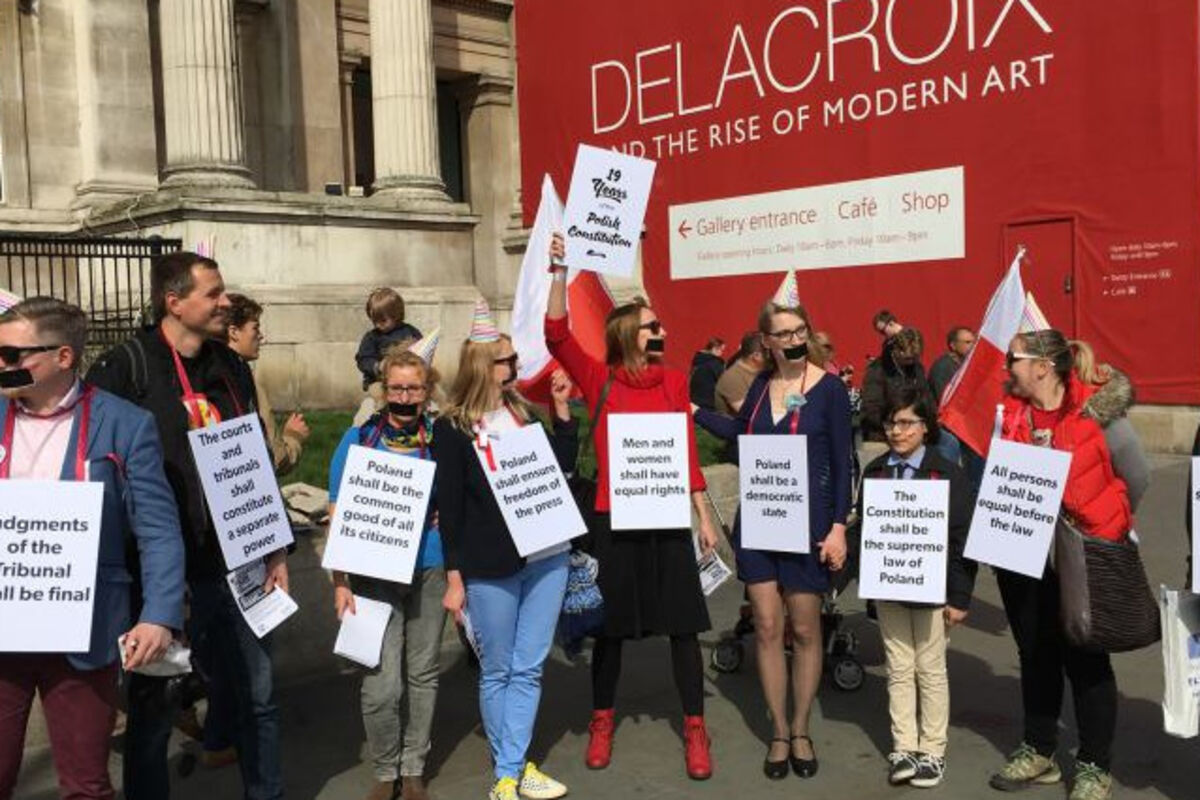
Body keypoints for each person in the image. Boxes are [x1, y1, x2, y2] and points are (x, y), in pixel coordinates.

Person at [87, 251, 288, 800]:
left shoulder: (230, 366)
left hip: (240, 560)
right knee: (154, 713)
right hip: (163, 575)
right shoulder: (124, 367)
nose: (226, 302)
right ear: (174, 303)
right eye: (213, 293)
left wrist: (276, 548)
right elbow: (99, 470)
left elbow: (255, 460)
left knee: (257, 698)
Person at [546, 233, 720, 781]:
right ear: (628, 335)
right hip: (613, 521)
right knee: (612, 630)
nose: (661, 332)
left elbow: (686, 452)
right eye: (652, 326)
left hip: (666, 519)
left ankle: (695, 728)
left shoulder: (675, 382)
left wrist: (704, 515)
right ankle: (602, 721)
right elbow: (556, 334)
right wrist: (560, 269)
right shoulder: (598, 378)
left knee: (684, 627)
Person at [0, 297, 186, 800]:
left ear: (63, 357)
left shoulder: (125, 423)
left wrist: (159, 614)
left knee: (85, 783)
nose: (1, 364)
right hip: (3, 630)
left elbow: (158, 528)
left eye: (12, 355)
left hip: (84, 630)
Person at [692, 285, 851, 782]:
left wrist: (838, 526)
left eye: (799, 330)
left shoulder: (829, 390)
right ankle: (779, 731)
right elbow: (741, 433)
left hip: (809, 527)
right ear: (767, 341)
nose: (794, 339)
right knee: (765, 625)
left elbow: (843, 462)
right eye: (783, 334)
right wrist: (693, 412)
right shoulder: (760, 387)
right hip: (761, 522)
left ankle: (801, 727)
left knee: (804, 629)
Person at [988, 330, 1149, 800]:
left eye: (1014, 360)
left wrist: (1106, 522)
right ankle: (1039, 750)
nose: (1007, 368)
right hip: (1023, 556)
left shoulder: (1097, 413)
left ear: (1043, 366)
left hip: (1083, 556)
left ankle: (1095, 765)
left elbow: (1137, 475)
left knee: (1087, 658)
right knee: (1035, 653)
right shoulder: (1009, 414)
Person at [435, 299, 578, 800]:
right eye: (507, 360)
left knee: (529, 666)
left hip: (546, 557)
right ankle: (510, 771)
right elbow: (451, 510)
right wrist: (455, 578)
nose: (516, 366)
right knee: (499, 669)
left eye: (515, 359)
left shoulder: (523, 413)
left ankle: (510, 770)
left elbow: (561, 473)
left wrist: (563, 414)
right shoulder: (452, 429)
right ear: (482, 366)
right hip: (489, 566)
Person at [328, 342, 446, 800]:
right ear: (383, 390)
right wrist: (339, 582)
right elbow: (337, 511)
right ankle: (385, 768)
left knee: (423, 673)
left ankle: (413, 767)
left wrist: (448, 513)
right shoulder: (358, 439)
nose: (403, 397)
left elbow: (462, 495)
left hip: (430, 568)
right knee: (380, 682)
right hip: (372, 575)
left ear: (426, 391)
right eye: (396, 388)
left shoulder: (442, 439)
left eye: (413, 389)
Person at [854, 386, 976, 789]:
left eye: (907, 423)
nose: (897, 431)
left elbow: (961, 541)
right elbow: (867, 533)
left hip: (932, 592)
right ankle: (904, 746)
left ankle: (932, 750)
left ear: (926, 427)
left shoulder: (948, 473)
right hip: (890, 589)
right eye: (891, 423)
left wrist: (959, 597)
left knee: (930, 669)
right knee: (898, 668)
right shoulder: (875, 472)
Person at [222, 293, 309, 475]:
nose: (261, 337)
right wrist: (293, 437)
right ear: (234, 332)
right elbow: (274, 459)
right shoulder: (244, 376)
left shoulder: (206, 373)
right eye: (255, 328)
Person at [861, 327, 930, 451]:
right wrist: (896, 424)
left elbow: (926, 398)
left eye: (915, 358)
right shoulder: (877, 370)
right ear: (896, 350)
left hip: (914, 428)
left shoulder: (917, 368)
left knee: (946, 441)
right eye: (908, 358)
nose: (911, 362)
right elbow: (871, 408)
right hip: (885, 432)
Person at [715, 331, 766, 416]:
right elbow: (752, 415)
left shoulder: (762, 370)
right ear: (756, 356)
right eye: (769, 351)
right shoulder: (732, 378)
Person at [928, 326, 975, 402]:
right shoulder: (942, 367)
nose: (972, 346)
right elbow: (943, 399)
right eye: (967, 342)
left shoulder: (966, 365)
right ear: (953, 345)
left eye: (974, 342)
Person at [688, 337, 726, 411]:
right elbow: (724, 382)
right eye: (721, 350)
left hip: (695, 401)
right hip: (709, 402)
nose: (722, 353)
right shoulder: (715, 363)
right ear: (714, 349)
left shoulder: (698, 360)